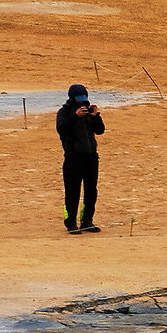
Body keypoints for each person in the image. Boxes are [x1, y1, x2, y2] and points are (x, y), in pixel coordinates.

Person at [55, 83, 103, 234]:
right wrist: (75, 116)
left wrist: (95, 117)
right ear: (72, 98)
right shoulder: (64, 112)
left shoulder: (89, 112)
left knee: (91, 191)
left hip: (91, 157)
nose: (82, 102)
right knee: (72, 192)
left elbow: (100, 130)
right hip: (73, 158)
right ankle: (71, 223)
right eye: (79, 99)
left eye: (84, 99)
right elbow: (61, 129)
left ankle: (87, 221)